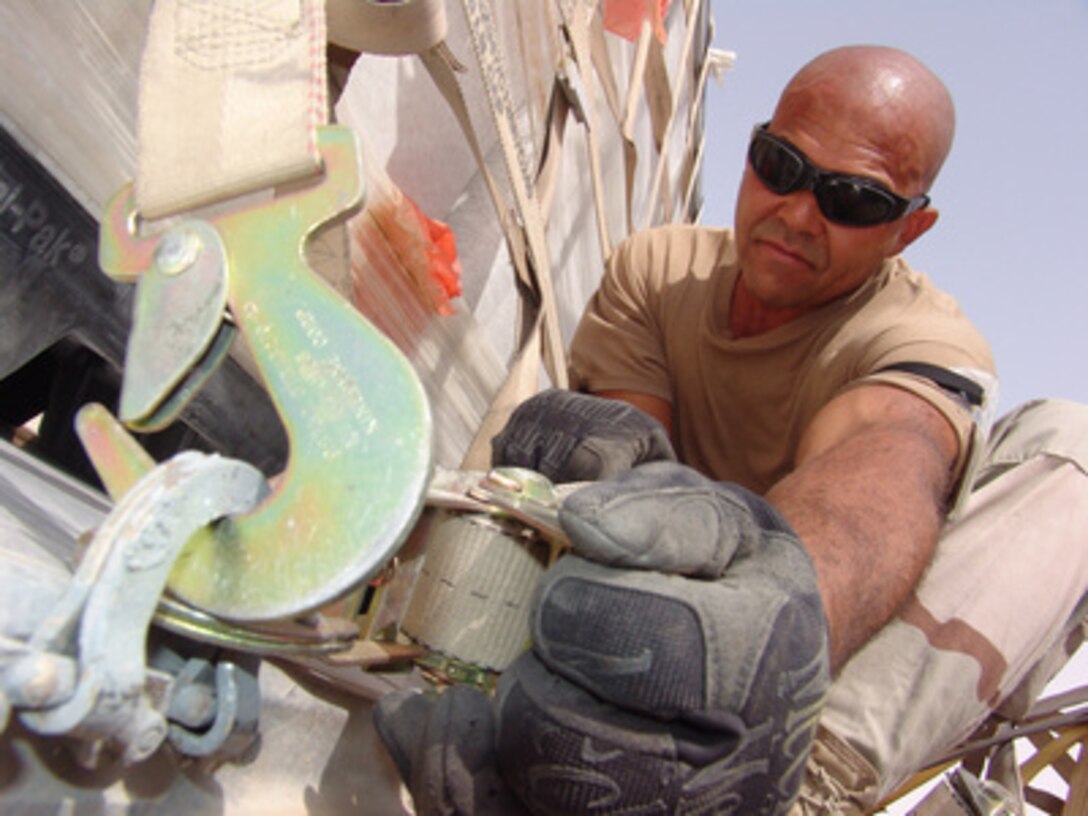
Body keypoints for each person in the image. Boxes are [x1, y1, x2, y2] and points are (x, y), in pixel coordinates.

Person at [375, 45, 1088, 814]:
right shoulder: (657, 273)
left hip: (824, 676)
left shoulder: (921, 339)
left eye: (853, 199)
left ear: (908, 231)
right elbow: (639, 496)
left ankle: (807, 782)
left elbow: (886, 460)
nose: (797, 213)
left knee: (1072, 442)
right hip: (655, 629)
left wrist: (769, 660)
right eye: (780, 165)